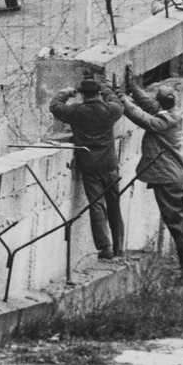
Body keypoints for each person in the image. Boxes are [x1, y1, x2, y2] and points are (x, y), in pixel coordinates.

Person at [120, 67, 183, 284]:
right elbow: (149, 106)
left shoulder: (164, 121)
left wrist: (121, 100)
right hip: (174, 176)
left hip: (168, 178)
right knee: (180, 220)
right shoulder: (171, 112)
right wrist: (133, 89)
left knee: (174, 222)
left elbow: (143, 118)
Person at [49, 76, 125, 260]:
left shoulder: (77, 111)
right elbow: (117, 102)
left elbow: (55, 106)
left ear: (82, 95)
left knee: (97, 204)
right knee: (114, 205)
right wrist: (106, 89)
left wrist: (66, 92)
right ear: (97, 93)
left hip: (90, 164)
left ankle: (105, 247)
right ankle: (119, 247)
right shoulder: (109, 110)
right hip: (110, 163)